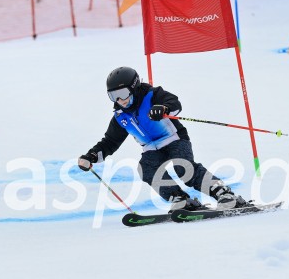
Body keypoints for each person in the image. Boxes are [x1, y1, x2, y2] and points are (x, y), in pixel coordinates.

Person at [77, 66, 247, 211]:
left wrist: (163, 108)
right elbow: (110, 141)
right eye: (114, 96)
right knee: (146, 170)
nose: (120, 100)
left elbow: (174, 103)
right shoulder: (120, 116)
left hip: (174, 138)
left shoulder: (152, 95)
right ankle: (181, 199)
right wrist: (92, 156)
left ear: (134, 87)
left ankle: (224, 194)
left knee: (183, 168)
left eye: (123, 93)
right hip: (151, 148)